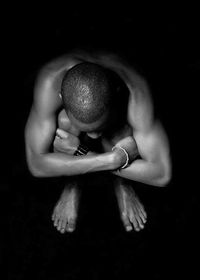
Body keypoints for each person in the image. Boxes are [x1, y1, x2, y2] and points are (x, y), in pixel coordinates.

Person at [25, 50, 171, 234]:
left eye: (99, 128)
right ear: (60, 97)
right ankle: (73, 184)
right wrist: (113, 161)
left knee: (121, 125)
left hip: (118, 120)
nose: (94, 137)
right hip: (106, 148)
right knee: (64, 123)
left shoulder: (136, 92)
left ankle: (122, 184)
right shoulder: (49, 83)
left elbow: (161, 175)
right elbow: (36, 164)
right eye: (88, 130)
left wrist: (81, 151)